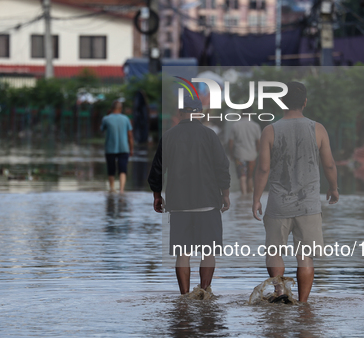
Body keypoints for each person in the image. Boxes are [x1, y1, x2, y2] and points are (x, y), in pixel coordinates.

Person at [252, 81, 339, 303]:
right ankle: (302, 303)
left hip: (278, 203)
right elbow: (329, 164)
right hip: (308, 204)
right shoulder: (317, 129)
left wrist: (256, 199)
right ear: (305, 102)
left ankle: (280, 293)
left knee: (274, 251)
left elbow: (263, 168)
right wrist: (333, 187)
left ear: (281, 102)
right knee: (305, 255)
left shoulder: (270, 130)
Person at [148, 92, 231, 296]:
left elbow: (157, 169)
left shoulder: (168, 136)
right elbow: (222, 166)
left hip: (178, 204)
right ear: (200, 112)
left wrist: (157, 195)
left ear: (179, 112)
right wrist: (225, 193)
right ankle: (204, 292)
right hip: (208, 202)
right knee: (209, 251)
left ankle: (184, 296)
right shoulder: (209, 135)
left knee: (182, 253)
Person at [101, 100, 134, 193]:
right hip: (124, 148)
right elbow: (130, 136)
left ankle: (112, 188)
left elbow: (102, 129)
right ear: (121, 109)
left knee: (111, 169)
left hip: (110, 148)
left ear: (111, 109)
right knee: (122, 169)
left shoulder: (106, 119)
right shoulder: (126, 119)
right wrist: (131, 149)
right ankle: (122, 190)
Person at [228, 114, 261, 195]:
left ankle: (243, 196)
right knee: (250, 177)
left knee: (242, 177)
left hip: (239, 154)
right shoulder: (256, 125)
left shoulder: (235, 125)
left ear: (241, 114)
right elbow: (259, 142)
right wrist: (256, 152)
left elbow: (231, 142)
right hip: (252, 155)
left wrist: (231, 154)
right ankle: (249, 197)